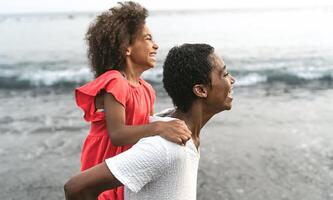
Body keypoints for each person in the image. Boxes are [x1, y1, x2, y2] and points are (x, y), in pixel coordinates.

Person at [64, 43, 235, 200]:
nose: (232, 80)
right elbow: (77, 188)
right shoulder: (164, 147)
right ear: (201, 90)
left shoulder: (179, 129)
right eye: (225, 74)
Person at [75, 2, 191, 200]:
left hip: (126, 166)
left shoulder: (146, 89)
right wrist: (161, 128)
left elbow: (144, 126)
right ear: (126, 48)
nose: (155, 45)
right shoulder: (115, 82)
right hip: (103, 165)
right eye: (147, 39)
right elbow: (118, 134)